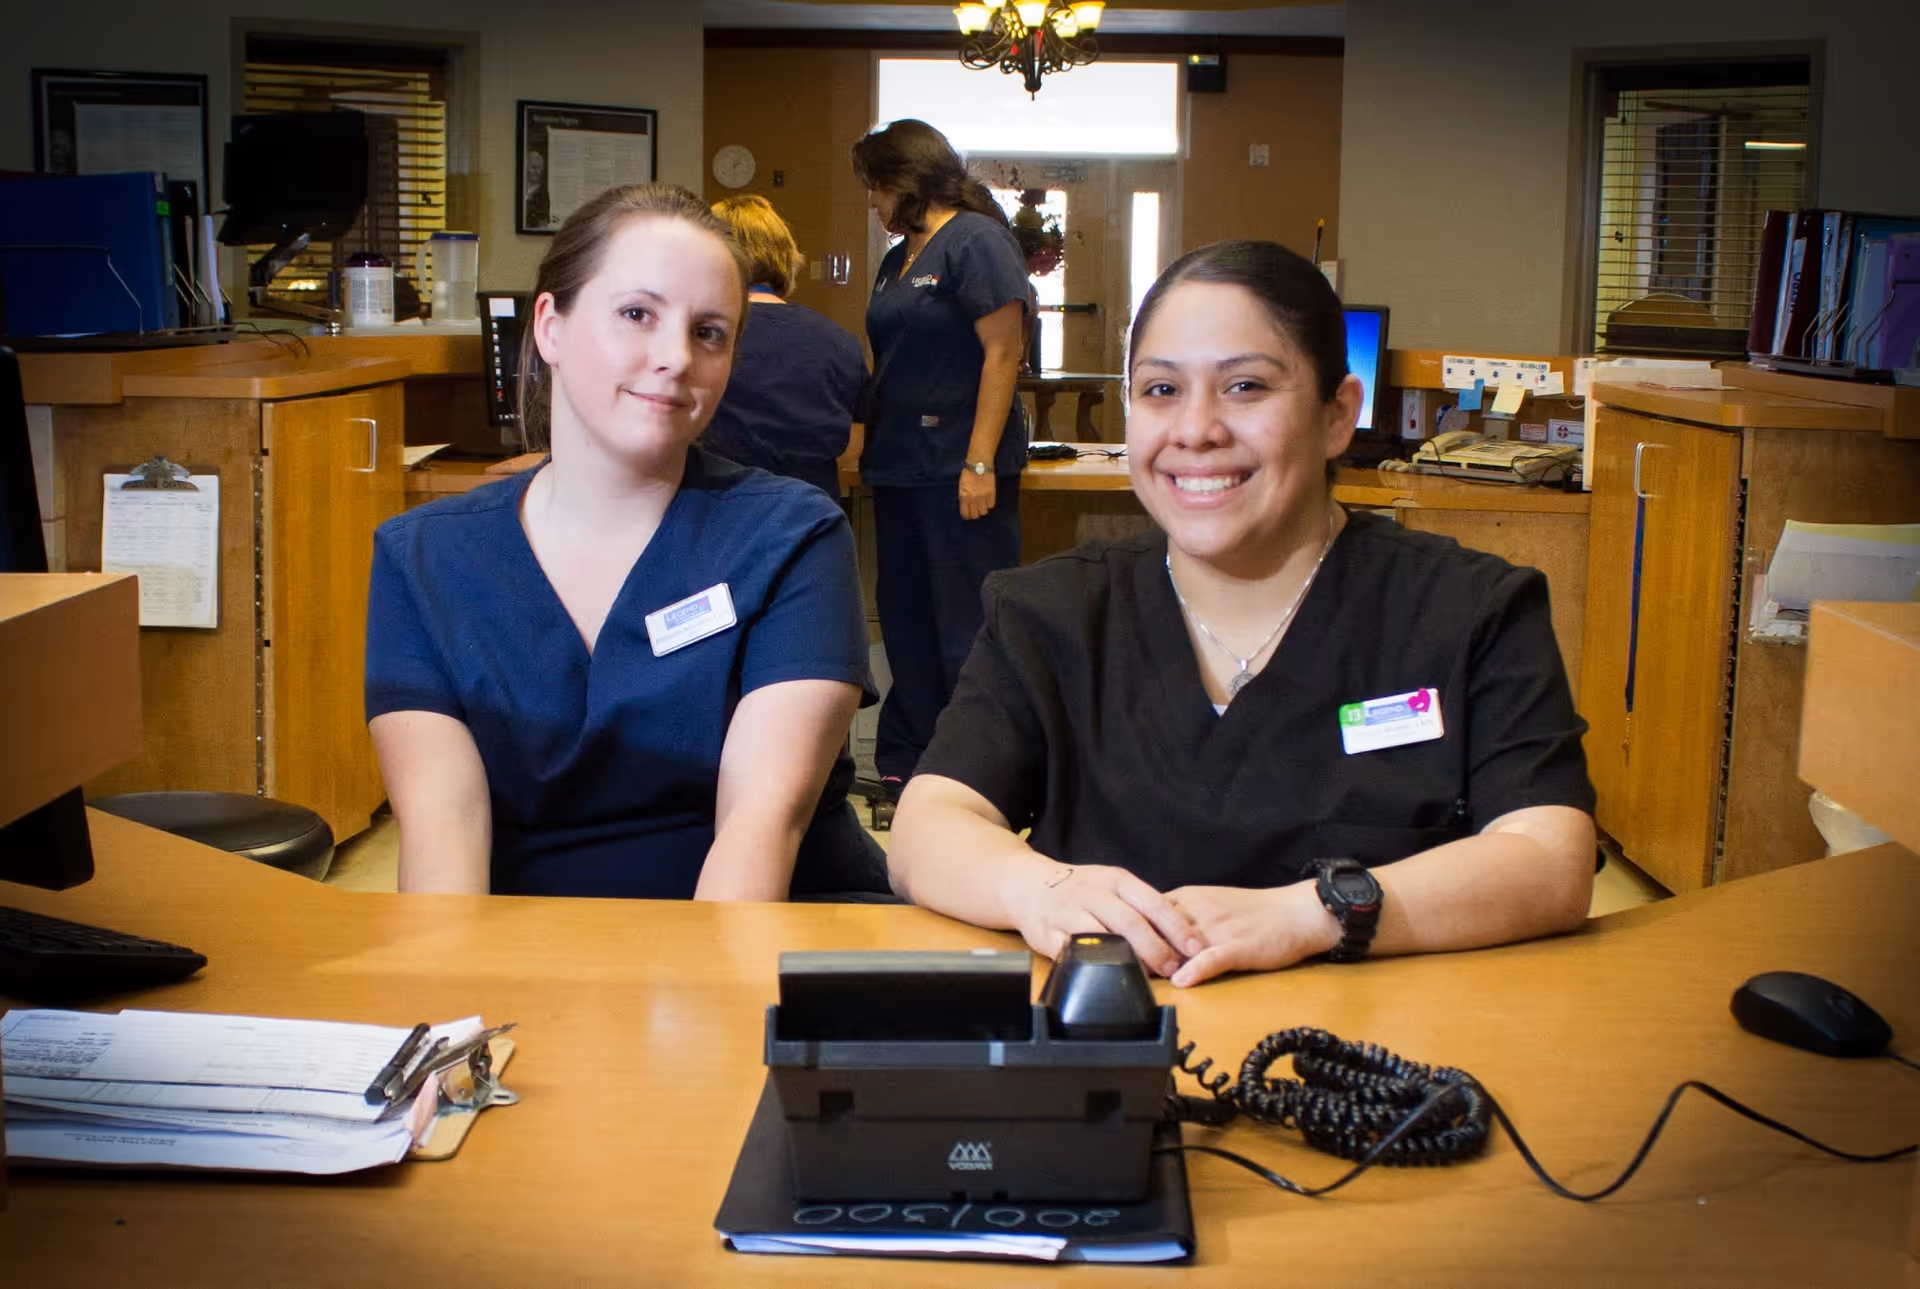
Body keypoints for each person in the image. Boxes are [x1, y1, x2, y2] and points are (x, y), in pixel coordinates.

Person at [888, 240, 1597, 986]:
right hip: (1119, 1049)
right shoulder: (1051, 612)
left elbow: (1549, 855)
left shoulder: (1469, 610)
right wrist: (1036, 887)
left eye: (1246, 386)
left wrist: (1311, 914)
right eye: (1161, 391)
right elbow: (929, 824)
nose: (1196, 430)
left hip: (1389, 1061)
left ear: (1336, 415)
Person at [365, 183, 883, 900]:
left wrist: (694, 1008)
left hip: (763, 946)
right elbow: (444, 826)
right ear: (549, 325)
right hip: (533, 964)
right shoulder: (422, 557)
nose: (675, 357)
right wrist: (459, 1005)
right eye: (637, 314)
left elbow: (761, 825)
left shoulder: (793, 536)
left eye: (709, 332)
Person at [851, 118, 1033, 797]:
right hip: (898, 465)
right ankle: (908, 765)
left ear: (906, 180)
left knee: (965, 626)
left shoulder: (978, 241)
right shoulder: (899, 256)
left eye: (877, 188)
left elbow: (1003, 351)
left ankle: (976, 774)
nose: (873, 203)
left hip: (959, 469)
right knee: (906, 620)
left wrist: (979, 461)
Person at [703, 195, 866, 497]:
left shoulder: (699, 339)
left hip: (716, 514)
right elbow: (851, 449)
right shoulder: (839, 342)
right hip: (810, 515)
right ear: (787, 257)